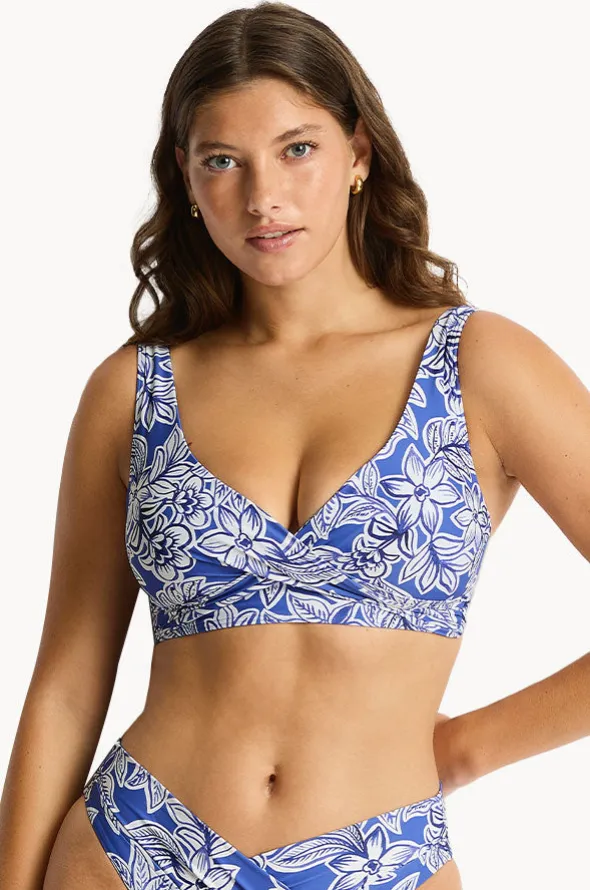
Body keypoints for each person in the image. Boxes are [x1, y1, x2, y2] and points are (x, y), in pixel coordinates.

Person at [2, 3, 590, 889]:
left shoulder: (480, 364)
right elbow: (67, 685)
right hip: (135, 849)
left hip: (379, 861)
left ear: (359, 154)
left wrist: (466, 748)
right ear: (185, 177)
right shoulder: (133, 389)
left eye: (297, 149)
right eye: (222, 160)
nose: (262, 197)